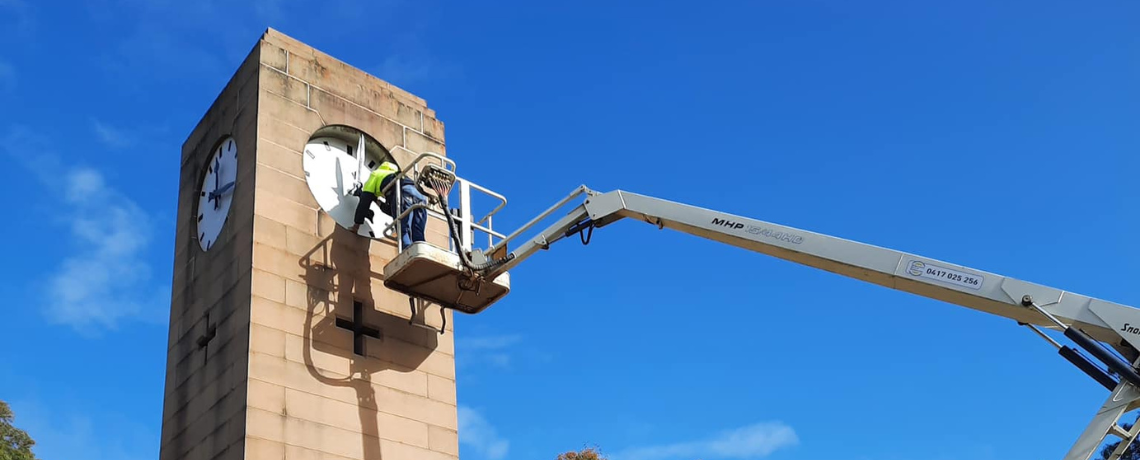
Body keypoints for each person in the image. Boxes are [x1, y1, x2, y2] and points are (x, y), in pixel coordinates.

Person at [349, 161, 427, 247]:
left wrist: (356, 225)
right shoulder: (398, 176)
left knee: (403, 230)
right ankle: (421, 256)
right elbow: (394, 211)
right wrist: (377, 201)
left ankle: (409, 254)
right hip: (421, 196)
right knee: (418, 233)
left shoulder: (376, 174)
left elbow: (365, 200)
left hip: (403, 192)